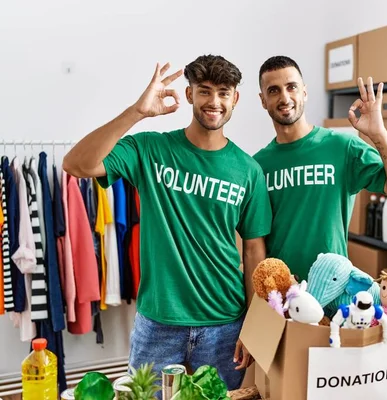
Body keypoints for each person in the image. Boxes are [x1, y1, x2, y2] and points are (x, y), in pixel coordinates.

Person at [62, 55, 271, 393]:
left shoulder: (248, 171)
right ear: (189, 95)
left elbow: (253, 251)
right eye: (204, 91)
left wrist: (253, 324)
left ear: (235, 98)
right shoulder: (150, 149)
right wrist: (137, 112)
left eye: (223, 92)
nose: (214, 102)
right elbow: (77, 164)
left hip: (224, 323)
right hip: (158, 323)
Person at [253, 56, 387, 282]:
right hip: (283, 293)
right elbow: (254, 241)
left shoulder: (342, 147)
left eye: (292, 87)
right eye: (273, 90)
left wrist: (380, 135)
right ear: (263, 100)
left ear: (304, 92)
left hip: (334, 289)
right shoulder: (258, 165)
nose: (285, 97)